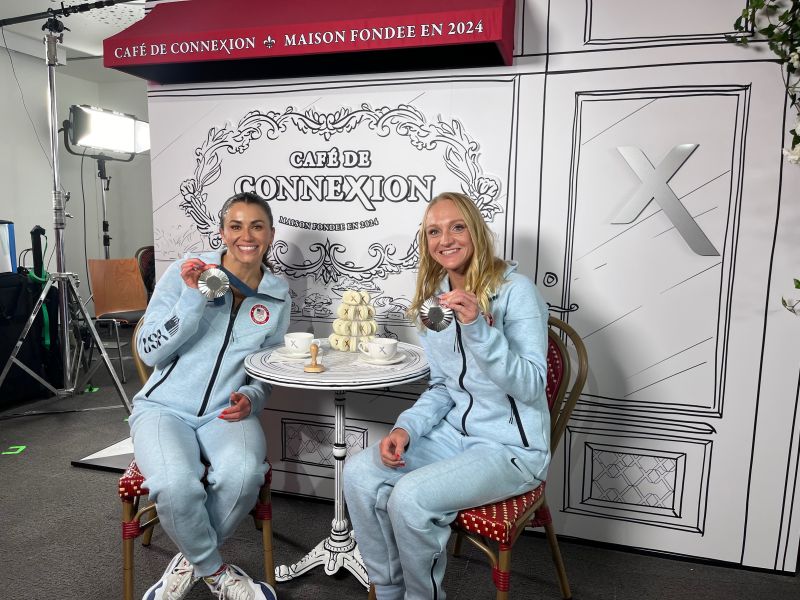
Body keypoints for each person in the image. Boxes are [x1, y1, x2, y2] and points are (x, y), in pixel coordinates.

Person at [343, 192, 551, 600]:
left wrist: (478, 328)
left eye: (457, 227)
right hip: (453, 435)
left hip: (511, 448)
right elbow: (442, 387)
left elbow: (530, 384)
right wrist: (406, 429)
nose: (446, 239)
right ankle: (388, 592)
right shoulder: (432, 301)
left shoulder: (516, 291)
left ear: (474, 231)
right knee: (359, 473)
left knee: (410, 498)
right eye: (434, 231)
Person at [131, 192, 289, 600]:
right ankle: (216, 571)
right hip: (164, 409)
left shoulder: (277, 295)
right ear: (222, 233)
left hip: (227, 414)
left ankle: (190, 562)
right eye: (235, 226)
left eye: (257, 226)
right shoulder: (188, 273)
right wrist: (193, 297)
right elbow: (150, 350)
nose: (246, 236)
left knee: (244, 475)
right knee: (172, 483)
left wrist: (252, 397)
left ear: (270, 235)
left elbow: (266, 369)